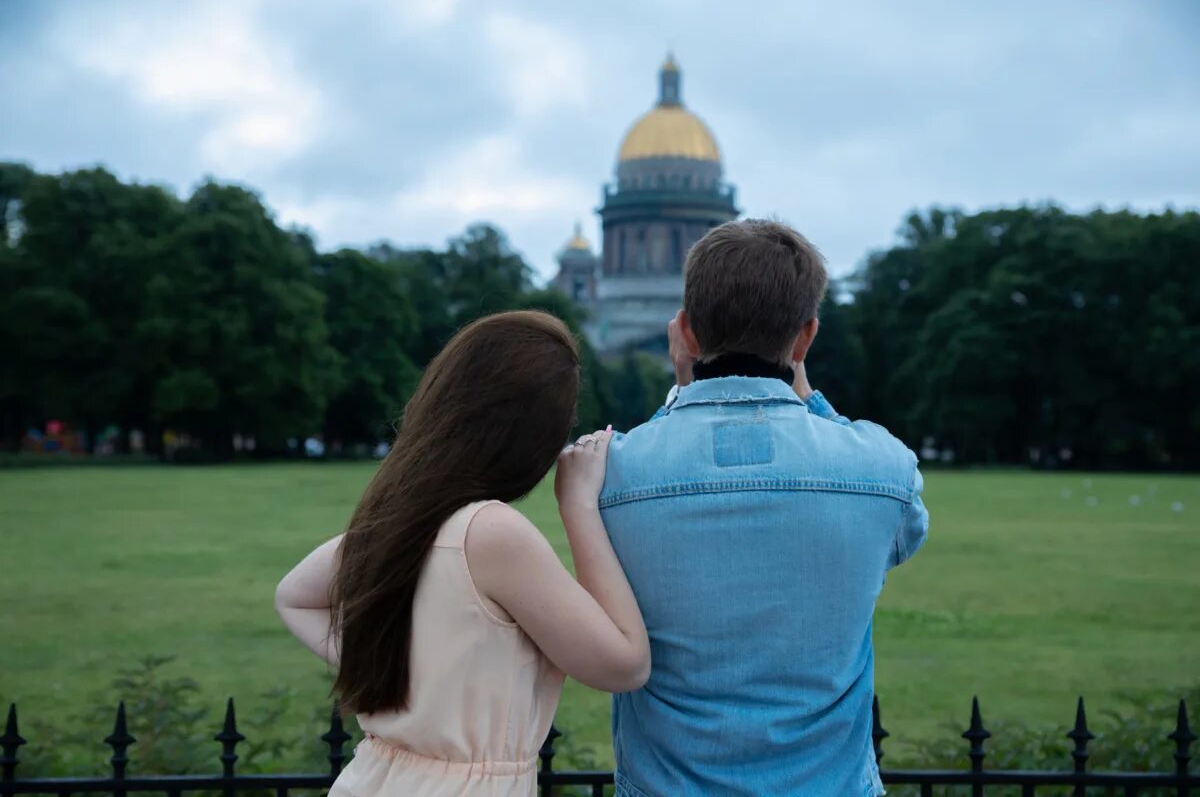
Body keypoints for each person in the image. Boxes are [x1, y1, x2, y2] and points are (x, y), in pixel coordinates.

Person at [601, 220, 930, 797]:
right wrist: (808, 395)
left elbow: (636, 470)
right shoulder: (882, 468)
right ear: (805, 339)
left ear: (685, 332)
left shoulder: (613, 475)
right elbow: (906, 535)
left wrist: (681, 393)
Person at [275, 310, 649, 797]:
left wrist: (397, 670)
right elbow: (624, 665)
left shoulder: (408, 517)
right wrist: (577, 504)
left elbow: (295, 596)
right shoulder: (491, 533)